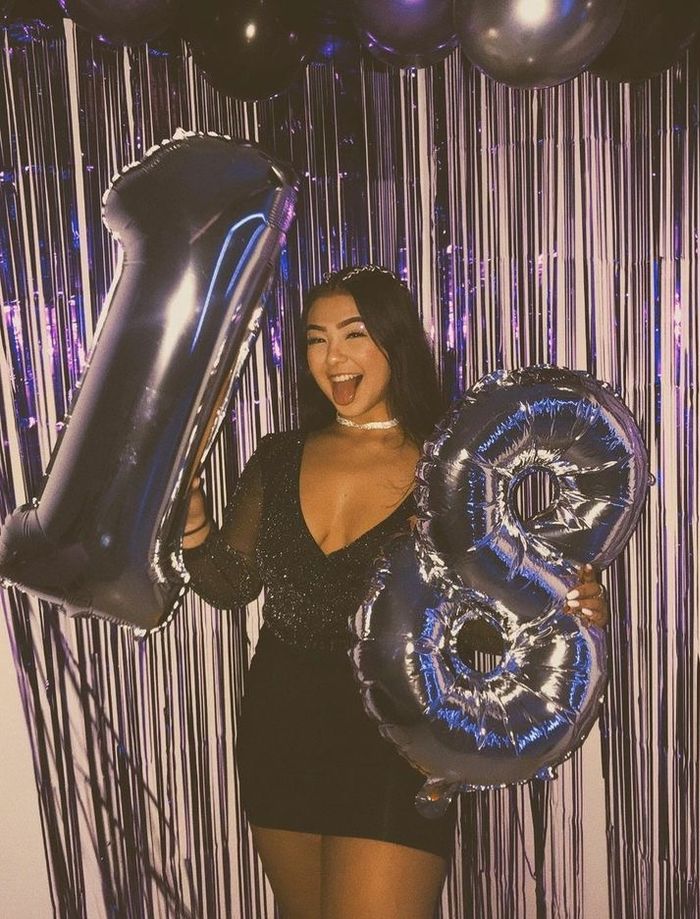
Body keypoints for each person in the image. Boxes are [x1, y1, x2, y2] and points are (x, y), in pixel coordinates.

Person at [180, 266, 609, 919]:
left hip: (394, 741)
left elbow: (484, 620)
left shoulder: (451, 472)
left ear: (393, 342)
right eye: (316, 339)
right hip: (280, 732)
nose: (334, 357)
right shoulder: (276, 457)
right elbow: (229, 585)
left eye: (354, 335)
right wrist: (195, 529)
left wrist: (563, 608)